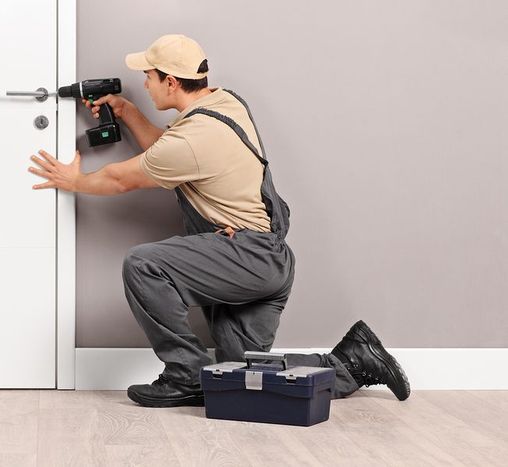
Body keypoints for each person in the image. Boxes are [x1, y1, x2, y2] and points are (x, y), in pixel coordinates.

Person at [27, 34, 410, 407]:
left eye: (149, 75)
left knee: (143, 264)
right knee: (237, 379)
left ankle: (186, 375)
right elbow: (172, 151)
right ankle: (353, 361)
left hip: (247, 257)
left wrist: (74, 180)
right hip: (263, 258)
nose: (144, 82)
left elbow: (122, 178)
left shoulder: (193, 140)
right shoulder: (224, 103)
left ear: (171, 81)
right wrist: (127, 112)